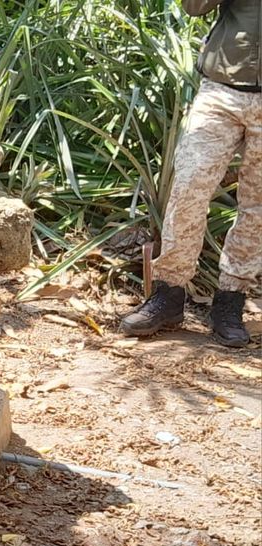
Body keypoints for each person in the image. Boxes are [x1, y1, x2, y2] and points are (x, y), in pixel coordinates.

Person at [121, 0, 258, 347]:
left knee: (257, 208)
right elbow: (194, 7)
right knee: (188, 187)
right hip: (221, 91)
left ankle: (230, 302)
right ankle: (168, 294)